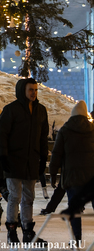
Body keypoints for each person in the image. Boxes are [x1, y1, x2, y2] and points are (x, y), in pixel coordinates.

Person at [0, 77, 49, 245]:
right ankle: (12, 230)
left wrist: (43, 158)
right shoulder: (11, 110)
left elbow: (43, 137)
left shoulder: (41, 111)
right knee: (14, 197)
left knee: (29, 197)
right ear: (22, 91)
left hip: (32, 161)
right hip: (14, 160)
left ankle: (28, 231)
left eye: (35, 89)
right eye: (30, 90)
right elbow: (2, 134)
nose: (34, 93)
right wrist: (3, 156)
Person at [49, 100, 94, 246]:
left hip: (73, 177)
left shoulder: (65, 130)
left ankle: (76, 240)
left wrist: (53, 175)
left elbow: (56, 155)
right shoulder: (93, 129)